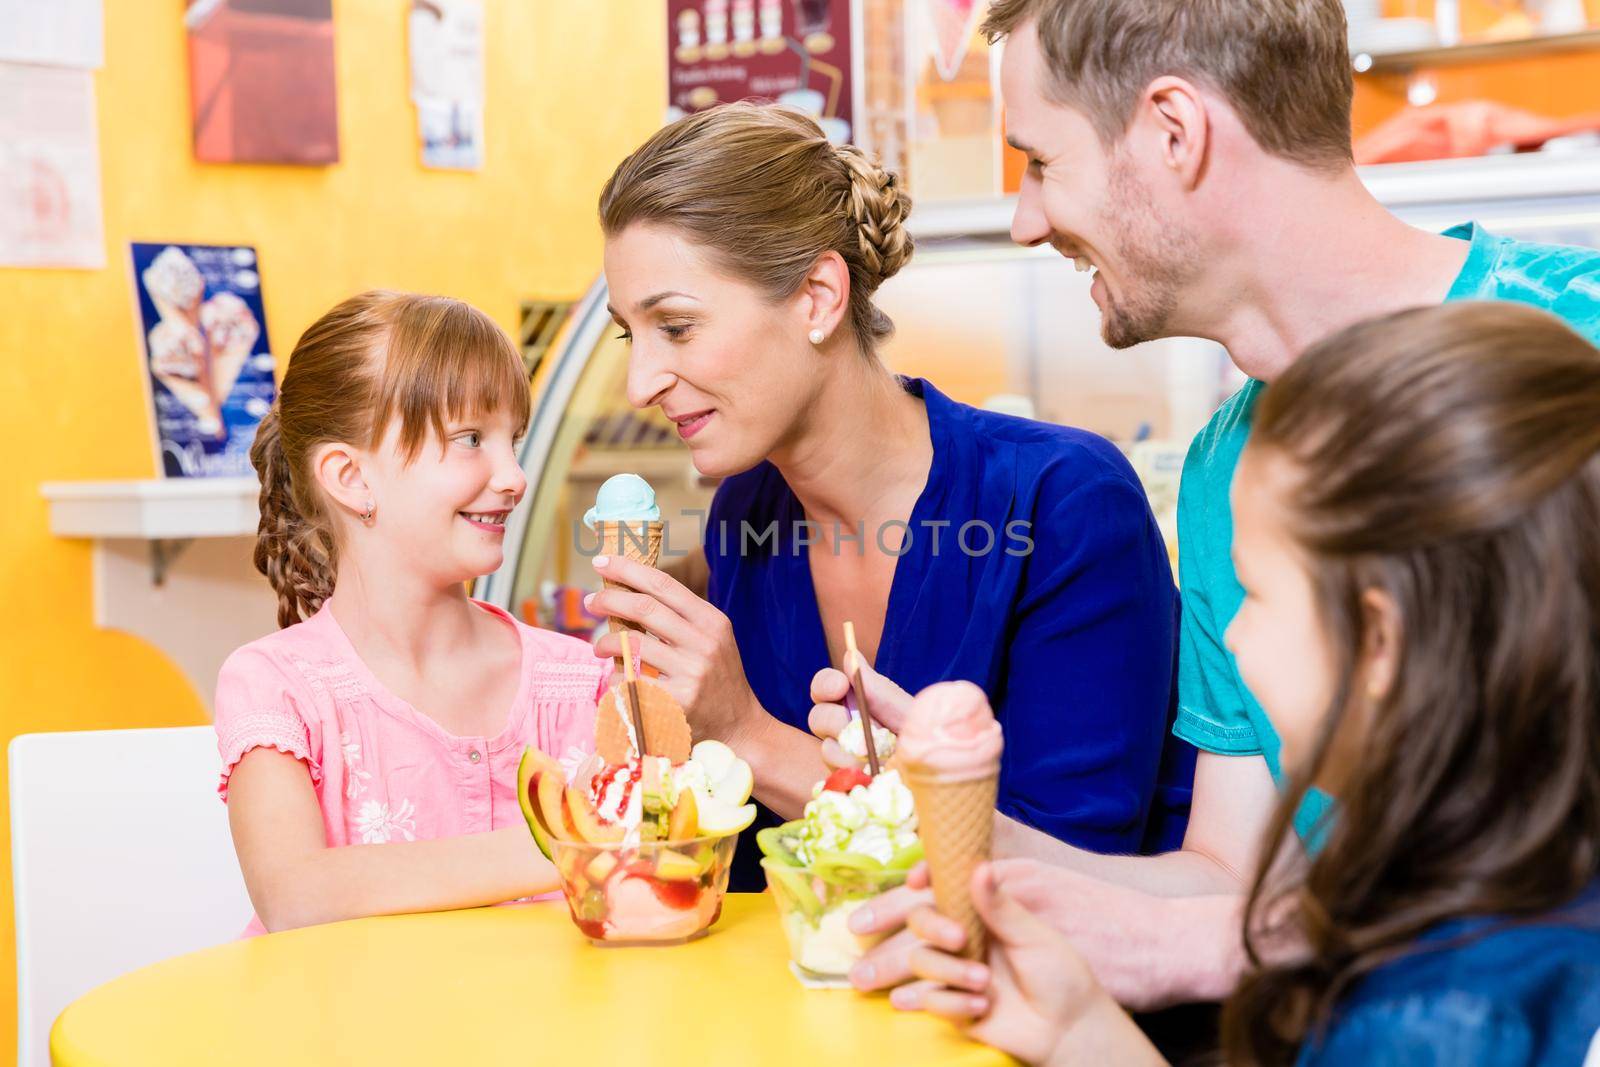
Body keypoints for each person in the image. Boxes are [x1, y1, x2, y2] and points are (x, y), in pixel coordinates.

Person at [817, 0, 1600, 1005]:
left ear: (1173, 133)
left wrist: (1239, 949)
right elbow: (1238, 881)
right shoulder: (1222, 469)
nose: (1023, 219)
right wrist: (946, 807)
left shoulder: (1574, 346)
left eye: (1041, 162)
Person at [903, 302, 1600, 1065]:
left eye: (1255, 593)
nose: (1231, 635)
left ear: (1378, 639)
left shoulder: (1423, 1018)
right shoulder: (1520, 891)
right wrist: (1079, 1031)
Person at [588, 102, 1194, 890]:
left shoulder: (1064, 504)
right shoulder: (748, 513)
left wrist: (748, 736)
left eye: (676, 326)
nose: (641, 385)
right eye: (630, 336)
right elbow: (774, 871)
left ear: (817, 296)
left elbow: (1072, 876)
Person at [216, 291, 608, 933]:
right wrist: (574, 841)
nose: (514, 475)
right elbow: (294, 893)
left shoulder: (584, 679)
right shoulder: (277, 687)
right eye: (472, 439)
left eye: (514, 440)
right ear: (350, 478)